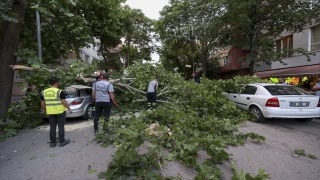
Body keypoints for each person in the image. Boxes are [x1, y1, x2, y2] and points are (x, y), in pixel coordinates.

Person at [41, 77, 72, 148]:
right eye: (59, 82)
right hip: (60, 111)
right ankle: (62, 142)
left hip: (50, 112)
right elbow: (64, 101)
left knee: (52, 127)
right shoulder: (59, 91)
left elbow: (42, 102)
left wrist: (44, 109)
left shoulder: (44, 92)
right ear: (56, 83)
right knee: (61, 127)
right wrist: (69, 108)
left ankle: (53, 143)